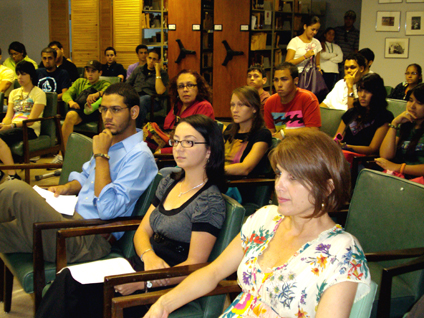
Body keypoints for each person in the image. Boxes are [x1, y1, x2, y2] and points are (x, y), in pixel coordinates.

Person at [143, 130, 371, 318]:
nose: (279, 185)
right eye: (279, 173)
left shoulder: (342, 253)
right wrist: (164, 304)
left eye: (294, 178)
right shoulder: (266, 219)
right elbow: (213, 272)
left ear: (328, 187)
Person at [35, 114, 226, 318]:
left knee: (76, 295)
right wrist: (148, 256)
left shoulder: (209, 201)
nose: (179, 148)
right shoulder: (169, 183)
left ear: (209, 150)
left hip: (167, 283)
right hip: (139, 265)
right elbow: (142, 231)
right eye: (176, 140)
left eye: (189, 142)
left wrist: (146, 281)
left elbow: (195, 264)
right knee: (69, 277)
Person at [0, 83, 158, 263]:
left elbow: (108, 210)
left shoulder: (140, 156)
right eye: (104, 109)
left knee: (16, 190)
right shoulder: (108, 141)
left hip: (87, 238)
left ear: (134, 112)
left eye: (115, 110)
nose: (107, 116)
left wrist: (101, 156)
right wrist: (65, 188)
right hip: (67, 219)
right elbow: (85, 178)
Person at [51, 60, 110, 164]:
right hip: (78, 110)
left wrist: (97, 94)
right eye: (88, 71)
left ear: (100, 73)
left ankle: (62, 154)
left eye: (93, 71)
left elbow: (110, 91)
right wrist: (71, 102)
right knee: (69, 115)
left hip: (94, 112)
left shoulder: (104, 83)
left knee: (70, 115)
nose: (90, 74)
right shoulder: (79, 82)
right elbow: (66, 94)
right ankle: (63, 155)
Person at [0, 61, 45, 180]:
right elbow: (9, 116)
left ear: (31, 75)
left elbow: (31, 121)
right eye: (18, 74)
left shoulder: (39, 93)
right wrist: (4, 124)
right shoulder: (14, 93)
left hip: (29, 129)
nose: (19, 77)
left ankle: (12, 174)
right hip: (14, 127)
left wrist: (10, 127)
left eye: (23, 74)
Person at [334, 73, 394, 155]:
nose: (362, 95)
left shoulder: (385, 116)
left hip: (362, 160)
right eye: (360, 90)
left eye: (368, 91)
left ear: (377, 93)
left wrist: (346, 146)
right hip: (342, 155)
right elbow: (338, 137)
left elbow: (372, 149)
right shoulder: (352, 112)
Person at [157, 70, 215, 154]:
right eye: (181, 86)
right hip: (170, 152)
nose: (185, 89)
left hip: (190, 157)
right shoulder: (177, 106)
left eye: (190, 85)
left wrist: (161, 152)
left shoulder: (204, 107)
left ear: (199, 88)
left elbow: (195, 144)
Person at [376, 83, 424, 178]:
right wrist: (394, 124)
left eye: (419, 103)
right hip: (400, 178)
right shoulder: (406, 125)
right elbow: (385, 155)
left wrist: (399, 167)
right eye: (410, 100)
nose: (412, 106)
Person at [264, 62, 321, 139]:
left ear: (295, 80)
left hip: (304, 145)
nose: (279, 84)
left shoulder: (308, 98)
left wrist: (284, 133)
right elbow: (270, 132)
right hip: (279, 146)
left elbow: (314, 131)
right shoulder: (270, 102)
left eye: (284, 79)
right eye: (276, 80)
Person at [224, 86, 272, 176]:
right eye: (232, 105)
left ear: (254, 108)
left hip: (242, 186)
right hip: (221, 181)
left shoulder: (262, 134)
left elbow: (246, 168)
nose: (234, 110)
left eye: (241, 105)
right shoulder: (229, 129)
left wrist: (213, 171)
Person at [127, 49, 169, 128]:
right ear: (146, 58)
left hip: (153, 101)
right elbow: (127, 84)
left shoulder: (162, 73)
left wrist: (157, 72)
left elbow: (160, 91)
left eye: (154, 59)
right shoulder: (138, 70)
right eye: (149, 58)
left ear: (159, 61)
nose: (151, 61)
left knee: (142, 100)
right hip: (136, 97)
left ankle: (136, 130)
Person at [335, 10, 360, 76]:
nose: (348, 21)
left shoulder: (356, 33)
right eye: (346, 19)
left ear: (354, 20)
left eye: (350, 19)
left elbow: (356, 50)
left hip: (348, 62)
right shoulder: (337, 30)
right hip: (335, 61)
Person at [320, 27, 343, 92]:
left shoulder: (337, 47)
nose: (331, 36)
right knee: (322, 91)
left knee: (331, 91)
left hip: (334, 72)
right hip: (323, 71)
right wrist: (334, 55)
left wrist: (329, 58)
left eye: (333, 34)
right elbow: (323, 56)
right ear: (325, 34)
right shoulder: (321, 45)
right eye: (329, 33)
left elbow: (340, 59)